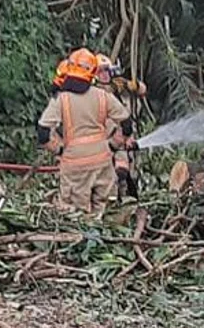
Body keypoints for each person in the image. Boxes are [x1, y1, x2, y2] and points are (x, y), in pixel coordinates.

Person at [36, 48, 132, 219]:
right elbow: (126, 124)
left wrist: (58, 149)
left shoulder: (61, 99)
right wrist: (113, 145)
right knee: (106, 213)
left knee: (75, 216)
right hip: (103, 161)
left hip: (74, 165)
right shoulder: (103, 96)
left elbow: (43, 133)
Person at [95, 54, 147, 202]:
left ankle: (125, 201)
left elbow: (142, 91)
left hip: (122, 142)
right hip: (105, 144)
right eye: (100, 71)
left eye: (106, 71)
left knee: (124, 173)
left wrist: (132, 85)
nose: (104, 75)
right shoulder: (93, 94)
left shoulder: (118, 89)